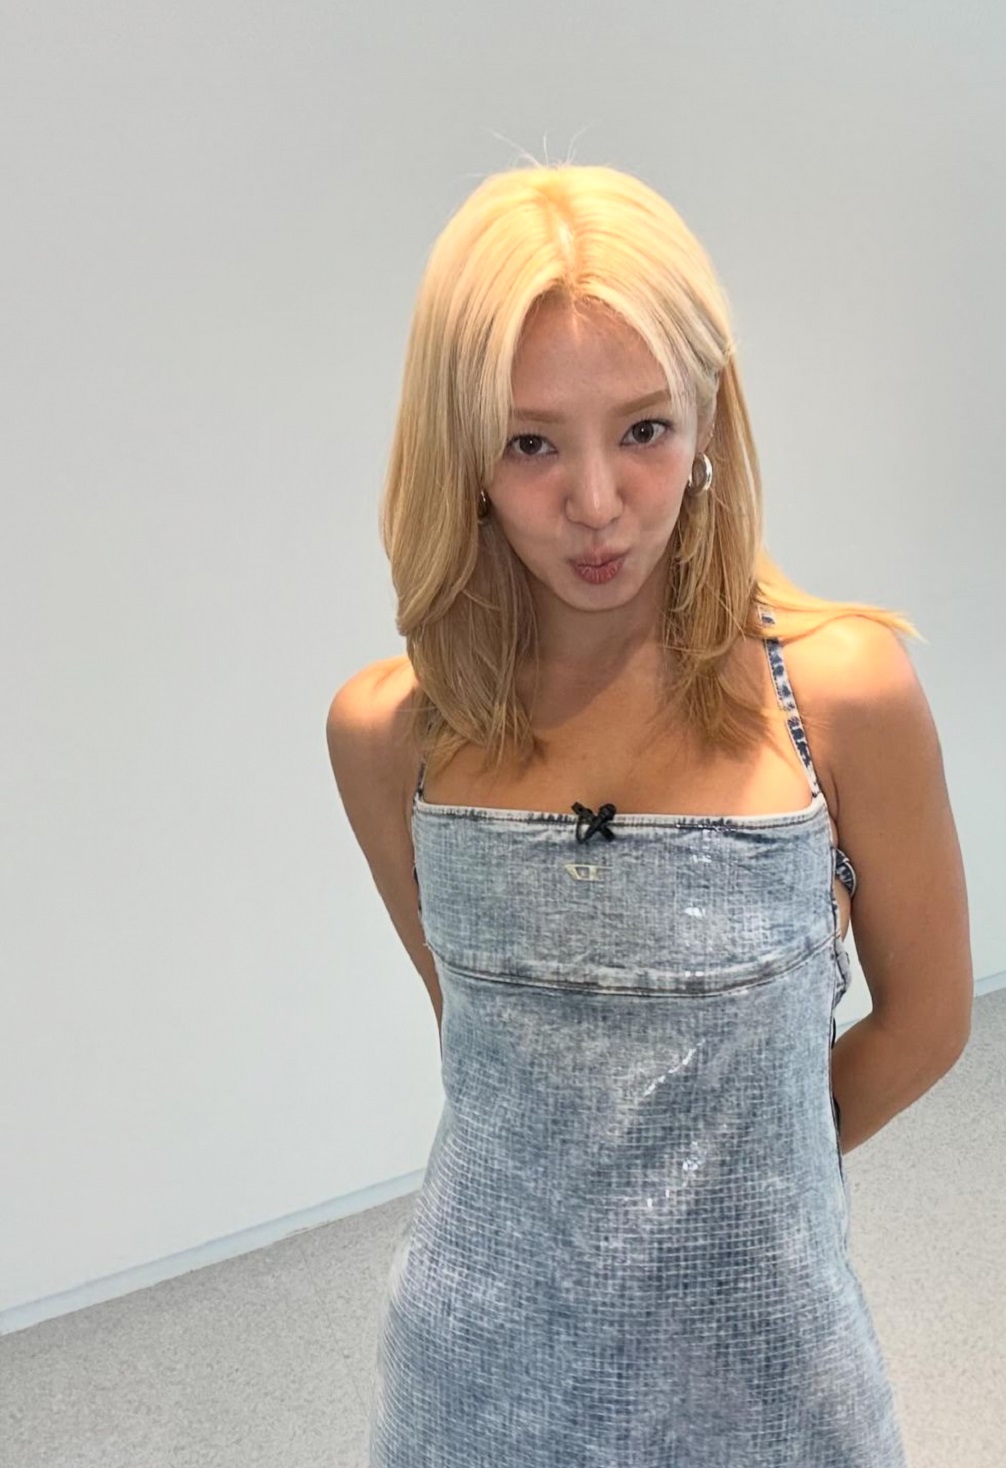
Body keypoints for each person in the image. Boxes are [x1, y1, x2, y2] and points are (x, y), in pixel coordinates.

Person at [326, 161, 972, 1467]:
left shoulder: (839, 697)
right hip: (475, 1380)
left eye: (643, 429)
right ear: (461, 453)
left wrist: (731, 1198)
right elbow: (490, 1064)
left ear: (710, 416)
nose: (596, 503)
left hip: (767, 1371)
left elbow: (926, 1023)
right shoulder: (391, 734)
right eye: (530, 443)